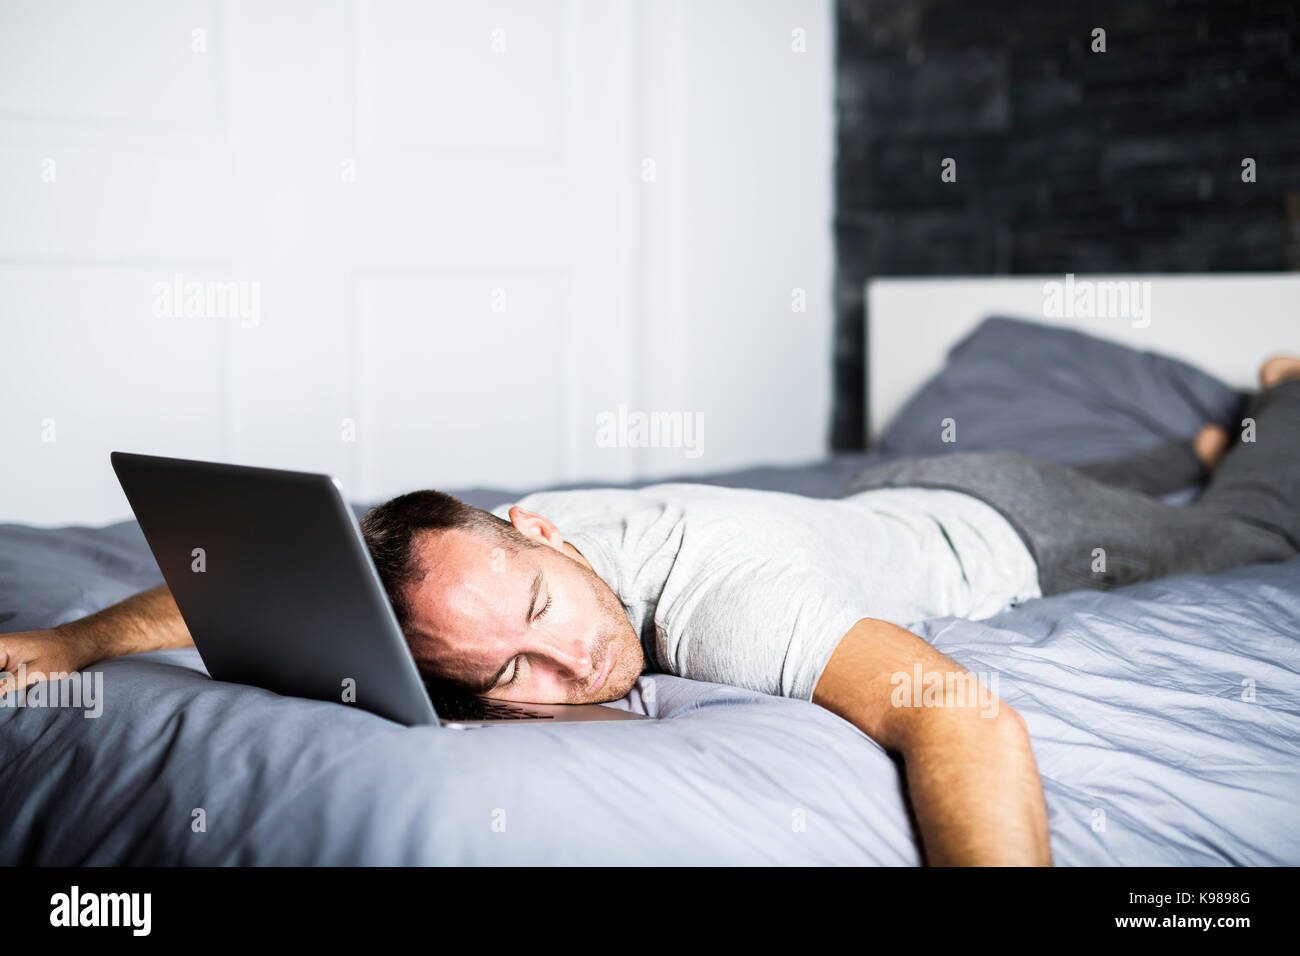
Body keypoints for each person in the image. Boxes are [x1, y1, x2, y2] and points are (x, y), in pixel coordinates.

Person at [4, 356, 1299, 867]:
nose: (572, 664)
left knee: (1245, 529)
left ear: (552, 539)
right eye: (504, 670)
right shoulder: (478, 546)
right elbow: (263, 574)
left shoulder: (731, 607)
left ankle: (1277, 407)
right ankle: (1200, 437)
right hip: (907, 484)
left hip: (1016, 533)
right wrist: (67, 644)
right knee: (1156, 474)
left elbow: (963, 725)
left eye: (542, 608)